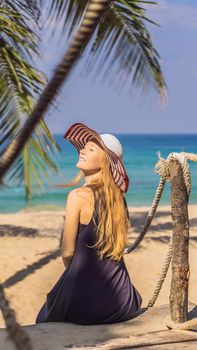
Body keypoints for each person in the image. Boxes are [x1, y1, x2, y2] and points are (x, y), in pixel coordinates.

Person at [35, 122, 142, 325]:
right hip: (123, 302)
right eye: (84, 147)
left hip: (85, 307)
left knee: (45, 315)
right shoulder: (119, 200)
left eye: (91, 148)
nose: (82, 150)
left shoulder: (77, 196)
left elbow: (67, 253)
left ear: (105, 161)